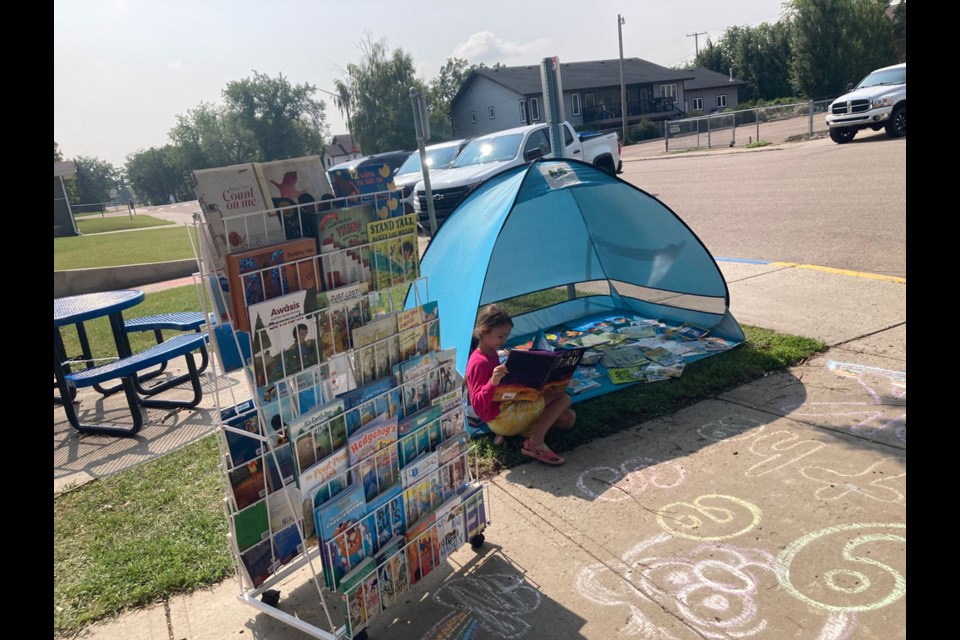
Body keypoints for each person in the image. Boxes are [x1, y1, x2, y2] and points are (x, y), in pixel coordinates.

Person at [465, 304, 576, 466]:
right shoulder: (478, 362)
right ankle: (535, 443)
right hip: (501, 417)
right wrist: (492, 383)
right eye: (500, 336)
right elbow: (478, 405)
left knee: (568, 418)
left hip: (507, 409)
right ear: (483, 332)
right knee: (563, 397)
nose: (504, 341)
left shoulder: (491, 353)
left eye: (506, 336)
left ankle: (516, 433)